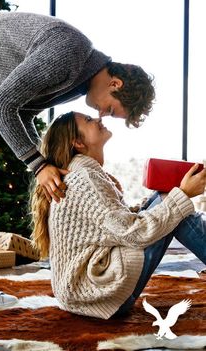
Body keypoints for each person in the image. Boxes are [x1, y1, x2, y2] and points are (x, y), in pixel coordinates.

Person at [0, 11, 155, 305]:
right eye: (110, 110)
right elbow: (3, 105)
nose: (100, 116)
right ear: (115, 84)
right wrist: (39, 165)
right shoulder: (69, 54)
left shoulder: (80, 81)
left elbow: (24, 111)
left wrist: (47, 166)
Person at [30, 111, 206, 319]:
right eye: (88, 120)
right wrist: (183, 194)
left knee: (170, 200)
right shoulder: (84, 178)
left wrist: (164, 200)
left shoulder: (84, 173)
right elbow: (133, 233)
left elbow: (115, 224)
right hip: (98, 293)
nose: (98, 119)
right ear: (77, 142)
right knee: (174, 202)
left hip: (82, 294)